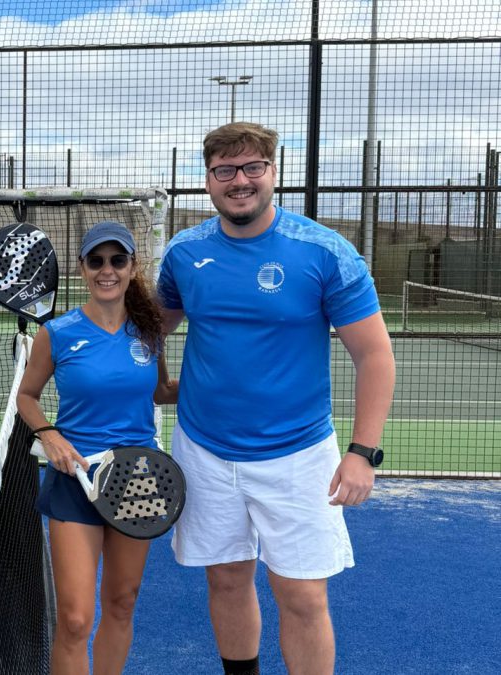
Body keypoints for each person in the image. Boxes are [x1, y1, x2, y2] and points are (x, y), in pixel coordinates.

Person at [157, 122, 395, 675]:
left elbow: (375, 356)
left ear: (273, 172)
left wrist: (363, 452)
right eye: (224, 170)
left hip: (299, 456)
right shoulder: (184, 253)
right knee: (226, 578)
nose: (239, 181)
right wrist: (159, 386)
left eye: (252, 167)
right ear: (208, 180)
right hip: (204, 450)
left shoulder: (325, 251)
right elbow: (149, 333)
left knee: (303, 595)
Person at [15, 220, 178, 674]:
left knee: (122, 602)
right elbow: (26, 397)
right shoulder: (58, 333)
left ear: (131, 267)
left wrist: (223, 382)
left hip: (138, 481)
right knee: (74, 619)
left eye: (117, 260)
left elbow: (162, 391)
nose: (108, 270)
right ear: (83, 268)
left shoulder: (149, 332)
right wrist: (49, 435)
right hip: (76, 479)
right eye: (97, 261)